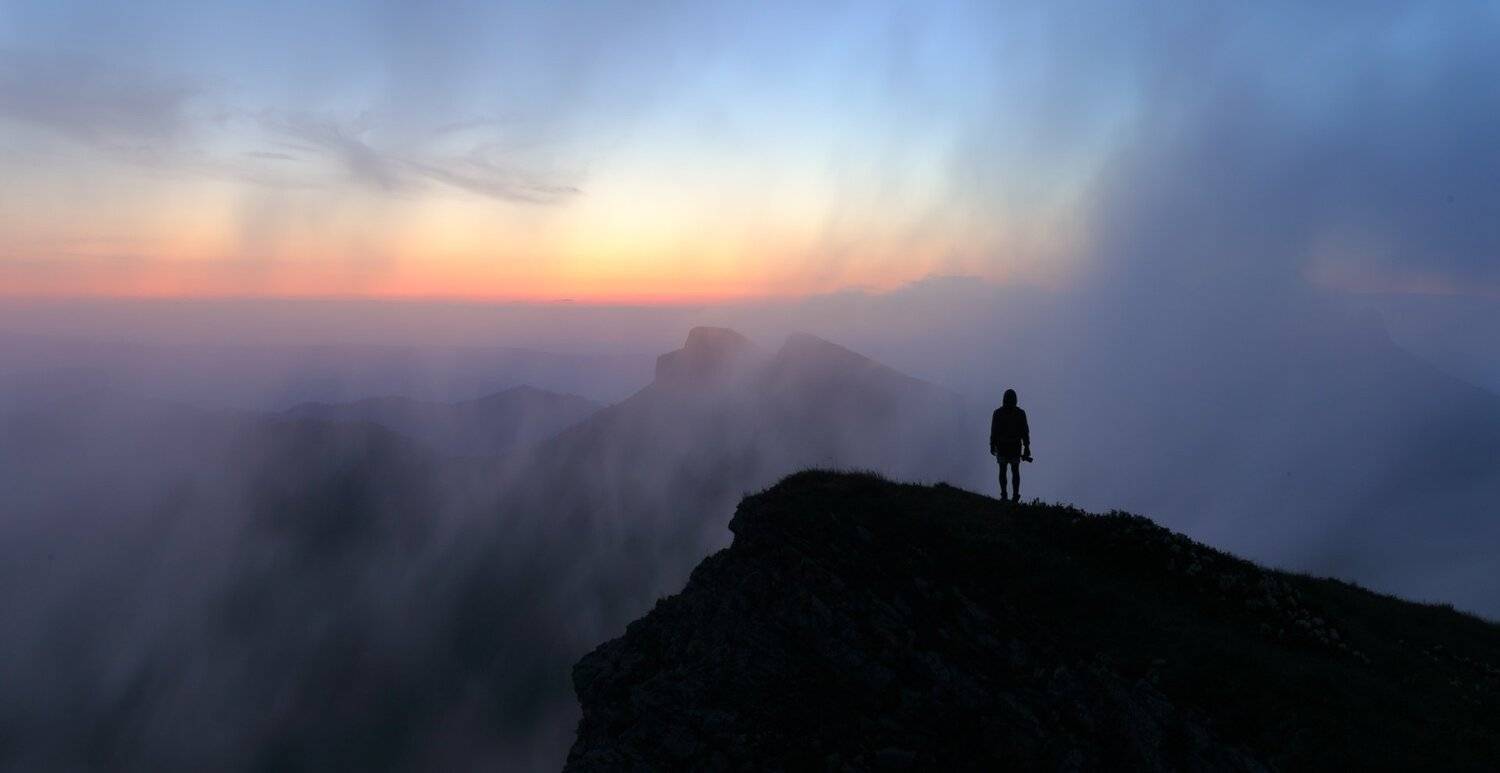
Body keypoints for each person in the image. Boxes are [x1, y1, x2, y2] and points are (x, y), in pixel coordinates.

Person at [989, 389, 1030, 502]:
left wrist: (992, 444)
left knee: (1004, 470)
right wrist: (1026, 447)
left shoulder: (998, 413)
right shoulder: (1020, 413)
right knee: (1014, 471)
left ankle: (1005, 495)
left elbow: (994, 431)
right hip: (1014, 447)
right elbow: (1025, 432)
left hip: (1004, 447)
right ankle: (1014, 496)